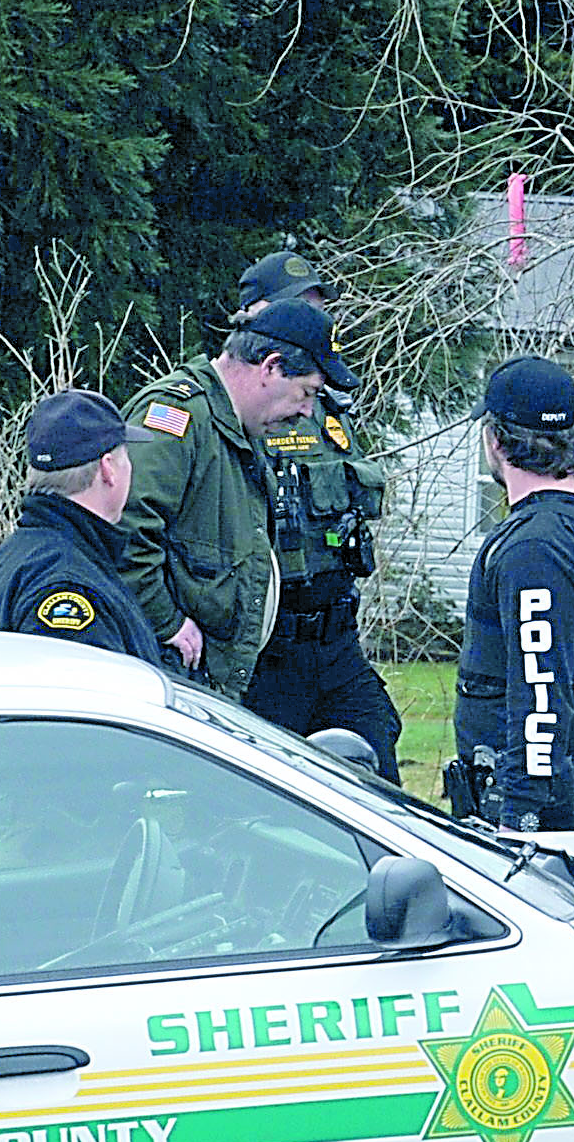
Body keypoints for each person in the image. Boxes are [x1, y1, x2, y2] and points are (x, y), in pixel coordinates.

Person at [114, 300, 357, 703]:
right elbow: (122, 530)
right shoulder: (178, 418)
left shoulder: (241, 429)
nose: (308, 411)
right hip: (168, 678)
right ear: (272, 367)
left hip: (209, 679)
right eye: (307, 392)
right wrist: (167, 624)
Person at [230, 253, 405, 782]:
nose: (312, 319)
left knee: (377, 773)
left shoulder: (327, 409)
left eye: (316, 306)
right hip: (268, 649)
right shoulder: (232, 405)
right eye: (296, 306)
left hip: (334, 638)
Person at [454, 356, 574, 833]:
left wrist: (518, 819)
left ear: (495, 440)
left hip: (547, 816)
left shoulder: (538, 544)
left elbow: (541, 693)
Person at [0, 390, 165, 662]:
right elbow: (87, 701)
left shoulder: (2, 561)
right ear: (108, 469)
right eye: (126, 457)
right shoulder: (69, 586)